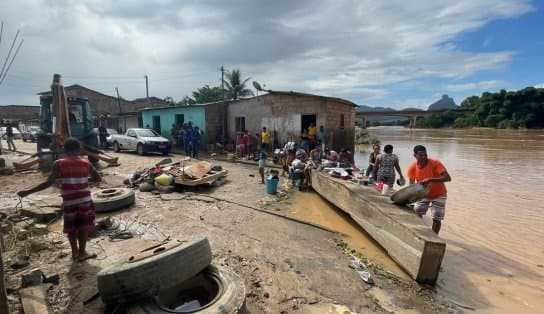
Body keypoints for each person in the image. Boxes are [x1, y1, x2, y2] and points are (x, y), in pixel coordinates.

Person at [17, 138, 101, 261]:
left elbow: (48, 183)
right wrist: (83, 181)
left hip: (69, 202)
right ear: (78, 150)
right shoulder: (86, 162)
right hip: (84, 201)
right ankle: (82, 253)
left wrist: (27, 192)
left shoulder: (58, 163)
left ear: (65, 150)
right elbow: (97, 178)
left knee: (71, 228)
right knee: (83, 227)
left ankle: (75, 253)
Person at [407, 145, 451, 234]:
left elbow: (448, 178)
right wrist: (411, 198)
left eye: (425, 155)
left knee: (436, 218)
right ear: (415, 155)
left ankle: (435, 237)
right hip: (423, 194)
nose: (424, 157)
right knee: (416, 213)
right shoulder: (412, 167)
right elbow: (412, 186)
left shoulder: (435, 163)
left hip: (439, 194)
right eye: (421, 155)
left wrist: (430, 179)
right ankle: (419, 233)